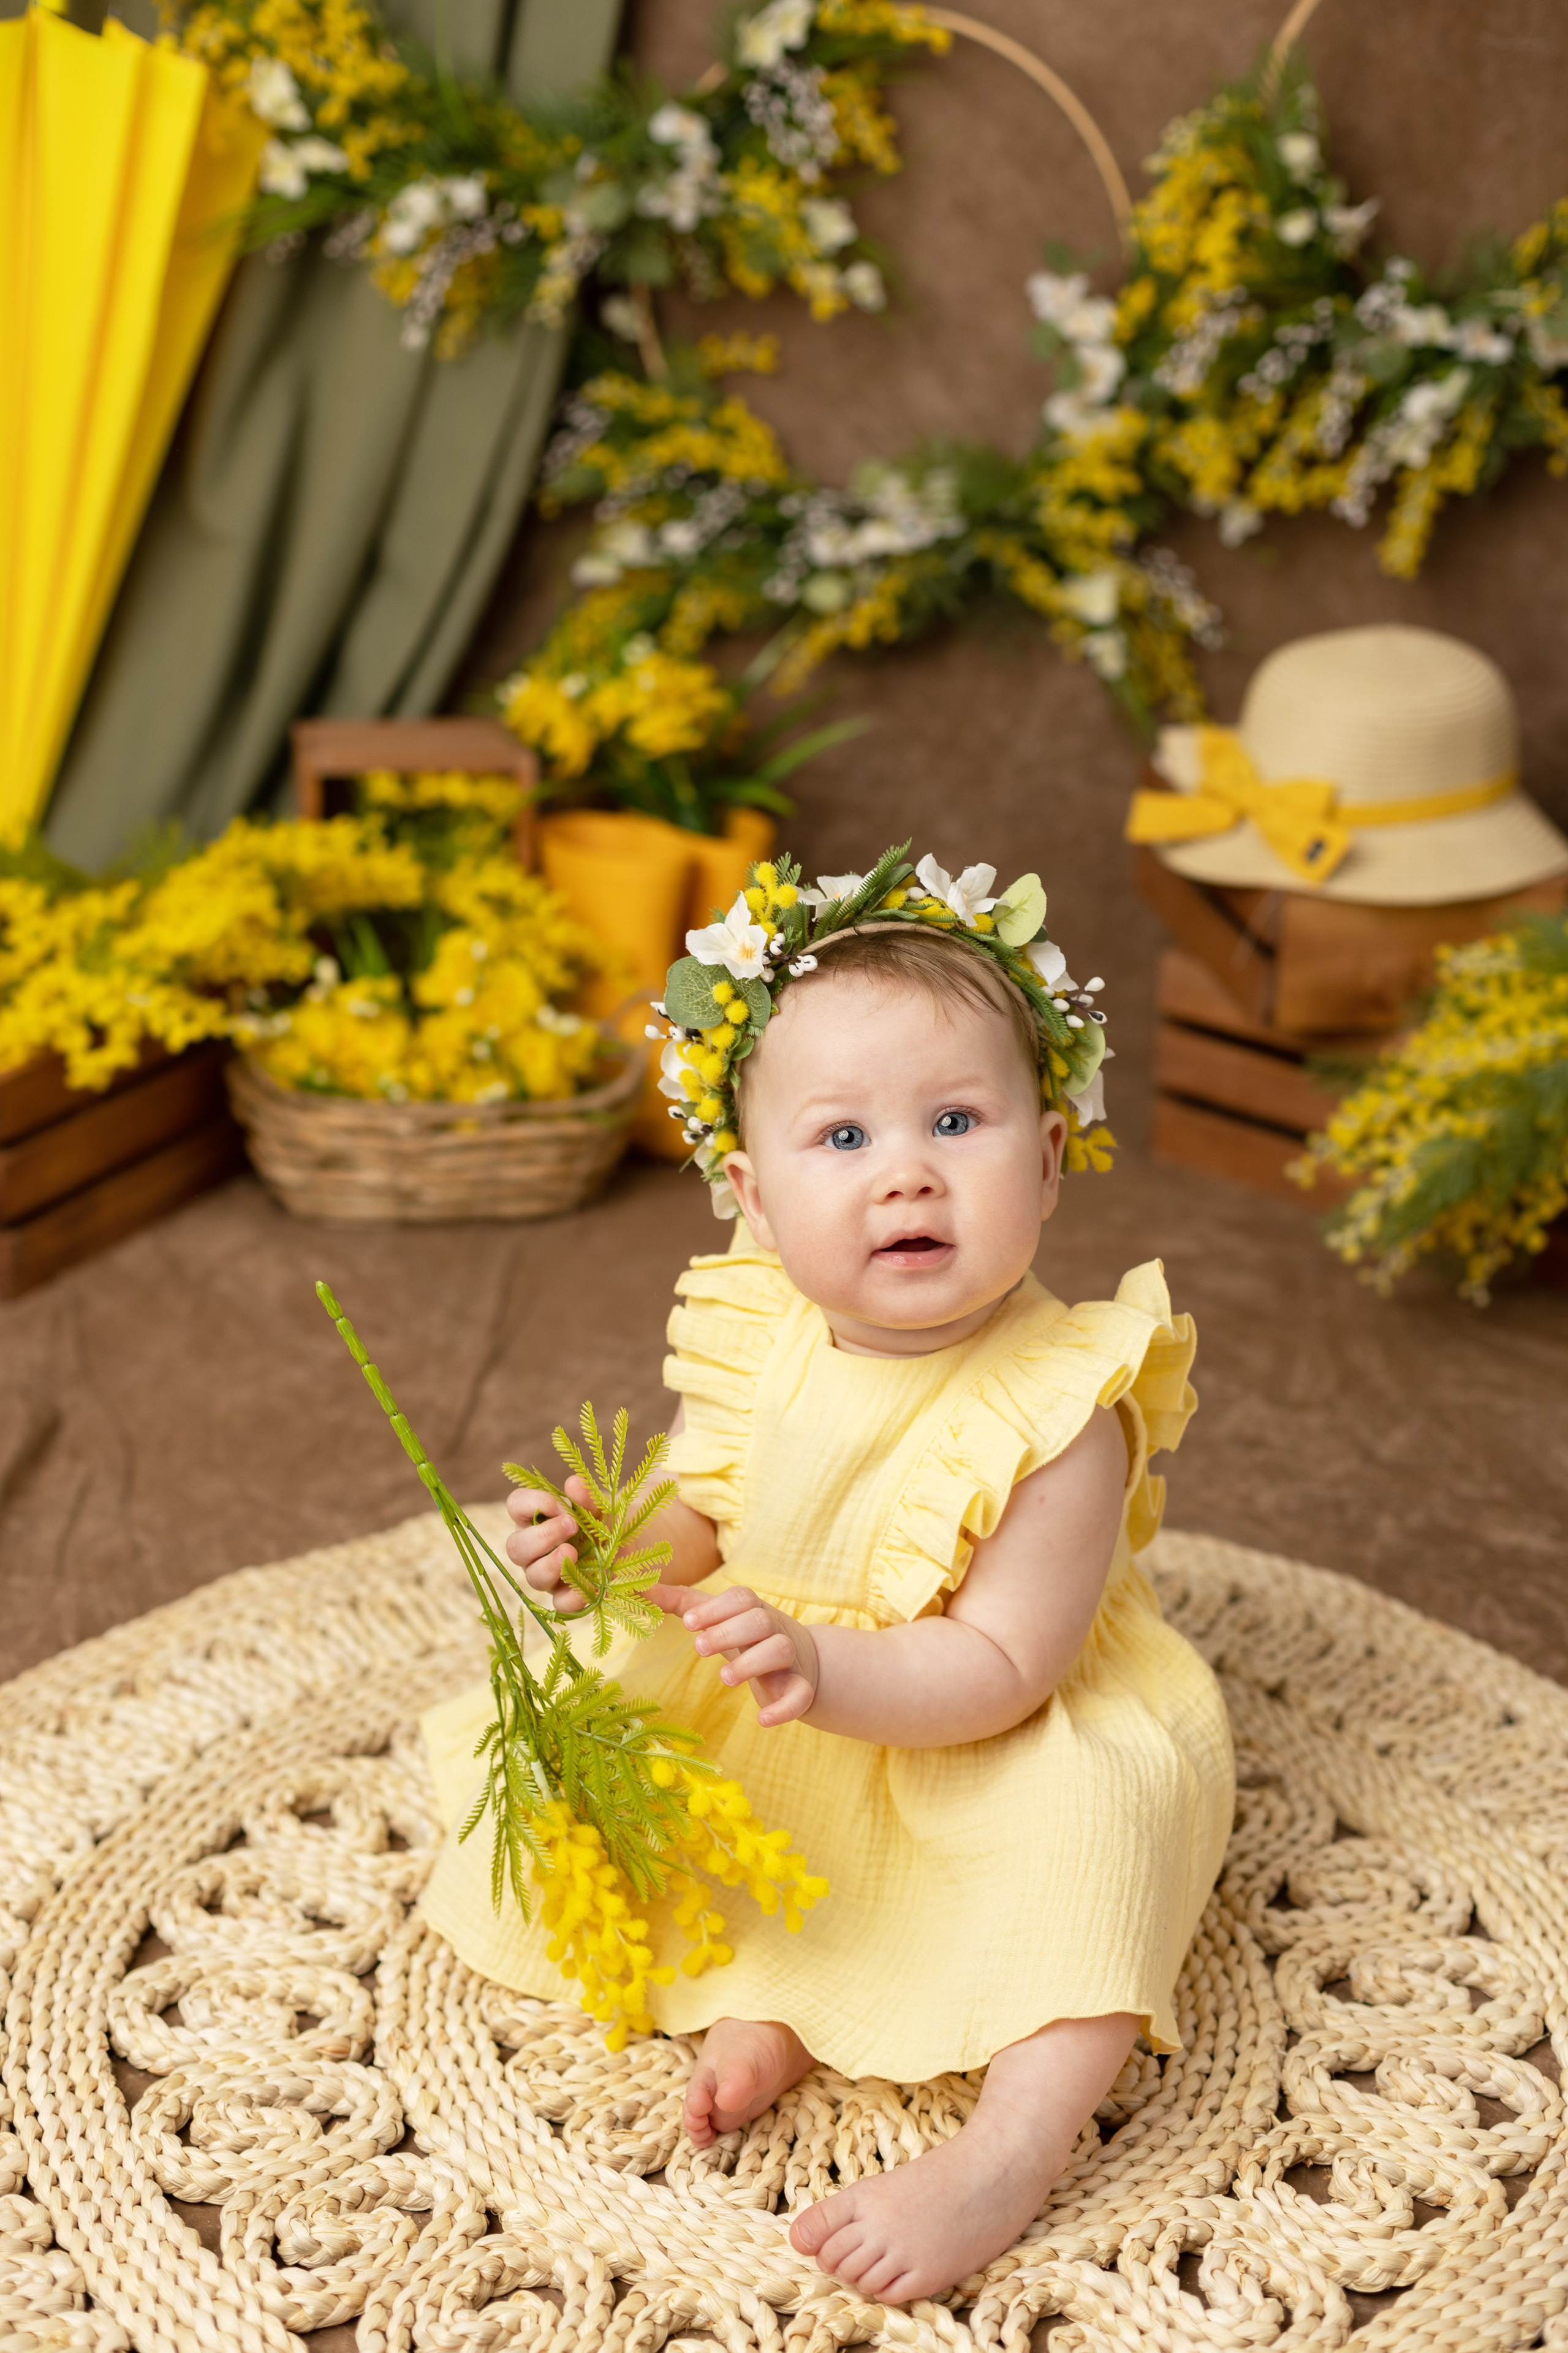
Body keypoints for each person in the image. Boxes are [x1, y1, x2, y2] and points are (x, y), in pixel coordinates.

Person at [420, 846, 1234, 2307]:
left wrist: (822, 1666)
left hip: (971, 1723)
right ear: (752, 1191)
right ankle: (782, 1999)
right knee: (632, 1766)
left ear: (1049, 1157)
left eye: (956, 1121)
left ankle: (1009, 2145)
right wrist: (604, 1549)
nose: (906, 1170)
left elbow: (1003, 1668)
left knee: (1098, 1838)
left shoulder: (1061, 1408)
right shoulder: (761, 1336)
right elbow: (699, 1510)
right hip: (782, 1694)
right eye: (842, 1137)